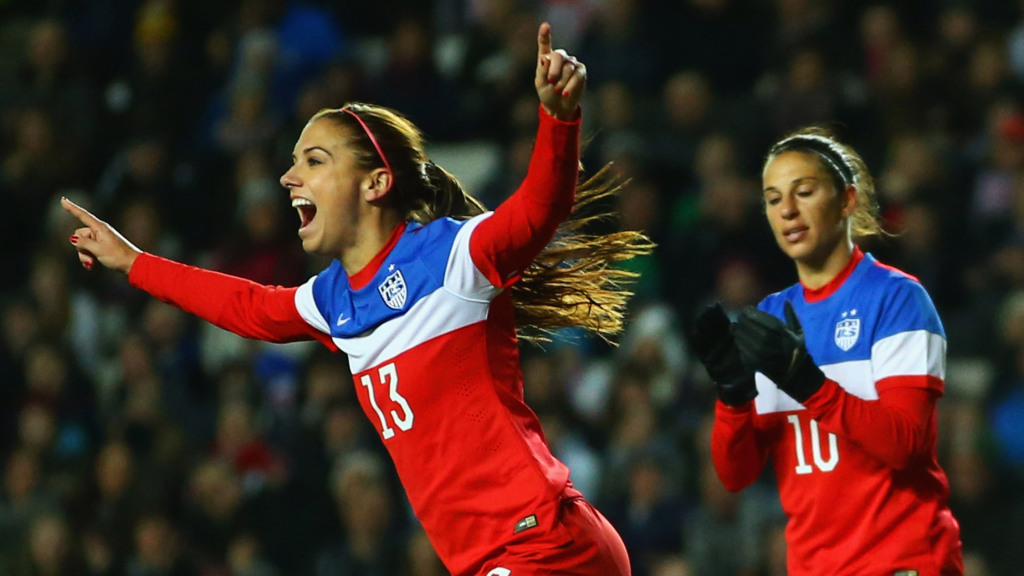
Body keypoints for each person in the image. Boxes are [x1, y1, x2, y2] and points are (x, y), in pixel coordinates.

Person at [63, 23, 644, 576]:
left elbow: (540, 209)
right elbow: (245, 306)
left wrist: (558, 118)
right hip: (492, 557)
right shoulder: (331, 300)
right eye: (293, 162)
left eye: (314, 161)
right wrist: (134, 262)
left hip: (543, 542)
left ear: (376, 182)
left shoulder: (451, 257)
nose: (289, 178)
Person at [690, 126, 963, 575]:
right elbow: (736, 476)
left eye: (804, 192)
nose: (788, 210)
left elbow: (905, 445)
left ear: (847, 200)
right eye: (773, 198)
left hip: (903, 562)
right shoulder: (770, 315)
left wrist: (806, 382)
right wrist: (732, 396)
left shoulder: (897, 298)